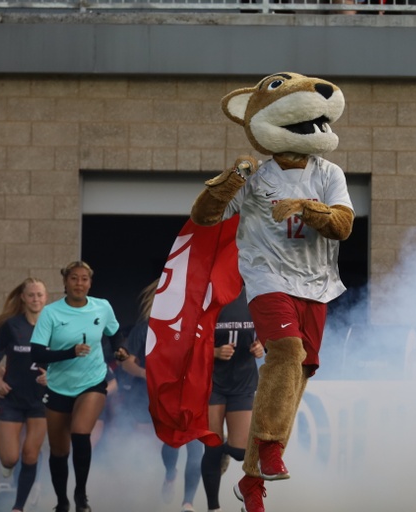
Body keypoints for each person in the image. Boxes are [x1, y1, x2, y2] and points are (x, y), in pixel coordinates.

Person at [190, 73, 354, 512]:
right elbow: (205, 217)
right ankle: (268, 448)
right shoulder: (257, 177)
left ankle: (251, 482)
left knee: (298, 373)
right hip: (267, 280)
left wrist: (307, 207)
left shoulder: (329, 173)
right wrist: (230, 180)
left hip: (316, 285)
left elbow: (343, 226)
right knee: (285, 353)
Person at [30, 260, 128, 512]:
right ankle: (62, 501)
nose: (79, 283)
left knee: (81, 433)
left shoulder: (102, 307)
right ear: (65, 281)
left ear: (90, 282)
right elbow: (37, 354)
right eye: (74, 278)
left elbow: (115, 333)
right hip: (60, 386)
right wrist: (70, 353)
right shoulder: (51, 313)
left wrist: (120, 349)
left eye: (84, 278)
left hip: (92, 381)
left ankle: (80, 495)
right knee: (59, 450)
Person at [119, 279, 203, 512]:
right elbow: (127, 364)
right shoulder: (144, 328)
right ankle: (158, 484)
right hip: (146, 399)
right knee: (149, 451)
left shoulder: (192, 326)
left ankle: (188, 502)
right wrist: (151, 375)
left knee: (195, 446)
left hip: (185, 397)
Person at [0, 277, 48, 512]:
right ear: (23, 297)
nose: (36, 299)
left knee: (30, 453)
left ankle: (18, 506)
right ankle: (14, 469)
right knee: (10, 458)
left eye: (40, 294)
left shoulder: (54, 326)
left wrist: (53, 378)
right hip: (12, 399)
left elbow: (64, 361)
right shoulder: (12, 326)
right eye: (31, 295)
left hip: (40, 401)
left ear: (46, 297)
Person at [201, 288, 264, 512]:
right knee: (212, 448)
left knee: (240, 452)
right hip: (212, 383)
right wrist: (214, 352)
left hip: (243, 382)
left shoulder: (255, 295)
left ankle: (226, 448)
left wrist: (260, 346)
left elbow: (267, 334)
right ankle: (213, 507)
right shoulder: (209, 296)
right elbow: (189, 341)